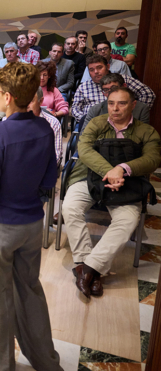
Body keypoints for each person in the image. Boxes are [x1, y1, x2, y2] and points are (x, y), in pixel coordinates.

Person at [0, 62, 62, 371]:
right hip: (32, 224)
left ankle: (1, 366)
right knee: (29, 290)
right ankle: (47, 362)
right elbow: (49, 179)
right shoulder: (44, 128)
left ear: (8, 97)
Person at [63, 87, 160, 299]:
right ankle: (88, 265)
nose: (115, 108)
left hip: (128, 183)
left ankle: (88, 269)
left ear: (133, 105)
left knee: (127, 221)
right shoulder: (96, 123)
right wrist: (110, 171)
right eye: (111, 103)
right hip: (91, 178)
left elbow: (153, 159)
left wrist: (122, 169)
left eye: (122, 103)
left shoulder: (147, 131)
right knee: (70, 207)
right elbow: (85, 149)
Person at [71, 55, 155, 122]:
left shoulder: (123, 79)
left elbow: (148, 94)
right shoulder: (83, 86)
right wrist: (88, 120)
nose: (96, 72)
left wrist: (135, 113)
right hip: (92, 121)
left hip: (124, 121)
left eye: (99, 67)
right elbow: (75, 109)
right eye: (91, 69)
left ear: (108, 66)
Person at [82, 73, 150, 129]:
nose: (110, 93)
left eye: (114, 88)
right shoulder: (95, 110)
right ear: (103, 93)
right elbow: (83, 138)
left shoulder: (141, 109)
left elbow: (144, 137)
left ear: (124, 86)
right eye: (106, 90)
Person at [28, 86, 62, 164]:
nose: (26, 105)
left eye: (31, 101)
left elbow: (56, 155)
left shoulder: (53, 123)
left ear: (41, 101)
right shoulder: (11, 121)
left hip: (41, 169)